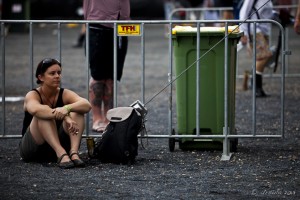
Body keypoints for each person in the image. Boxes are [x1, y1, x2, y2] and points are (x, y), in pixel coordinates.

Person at [19, 58, 92, 169]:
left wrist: (67, 108)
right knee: (43, 115)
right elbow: (35, 110)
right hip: (33, 149)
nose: (57, 76)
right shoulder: (32, 95)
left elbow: (86, 104)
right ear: (41, 77)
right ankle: (61, 153)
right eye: (52, 73)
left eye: (59, 73)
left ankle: (73, 153)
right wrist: (66, 117)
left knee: (77, 112)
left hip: (57, 145)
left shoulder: (63, 93)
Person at [83, 0, 130, 132]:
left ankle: (108, 116)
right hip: (98, 22)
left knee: (112, 76)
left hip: (121, 25)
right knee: (98, 76)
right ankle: (97, 118)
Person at [239, 0, 274, 97]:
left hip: (263, 29)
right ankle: (255, 86)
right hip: (254, 28)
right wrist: (243, 31)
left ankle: (256, 86)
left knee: (261, 57)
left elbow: (266, 12)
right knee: (264, 56)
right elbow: (244, 11)